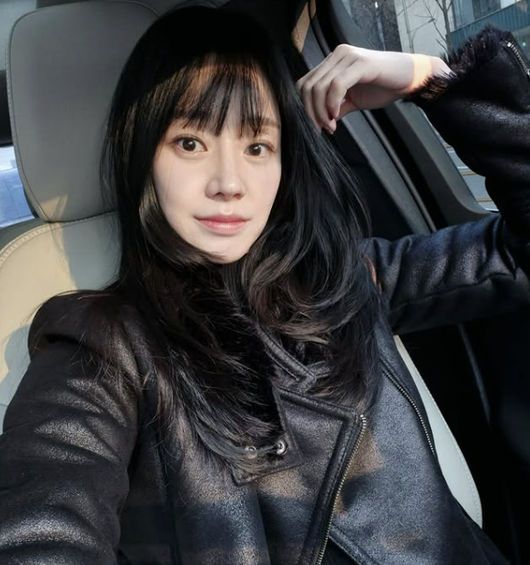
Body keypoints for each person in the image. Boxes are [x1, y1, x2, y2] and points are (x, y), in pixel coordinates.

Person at [0, 4, 529, 564]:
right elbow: (44, 528)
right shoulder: (99, 345)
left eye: (257, 147)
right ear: (144, 154)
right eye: (190, 143)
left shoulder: (347, 279)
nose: (229, 183)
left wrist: (430, 79)